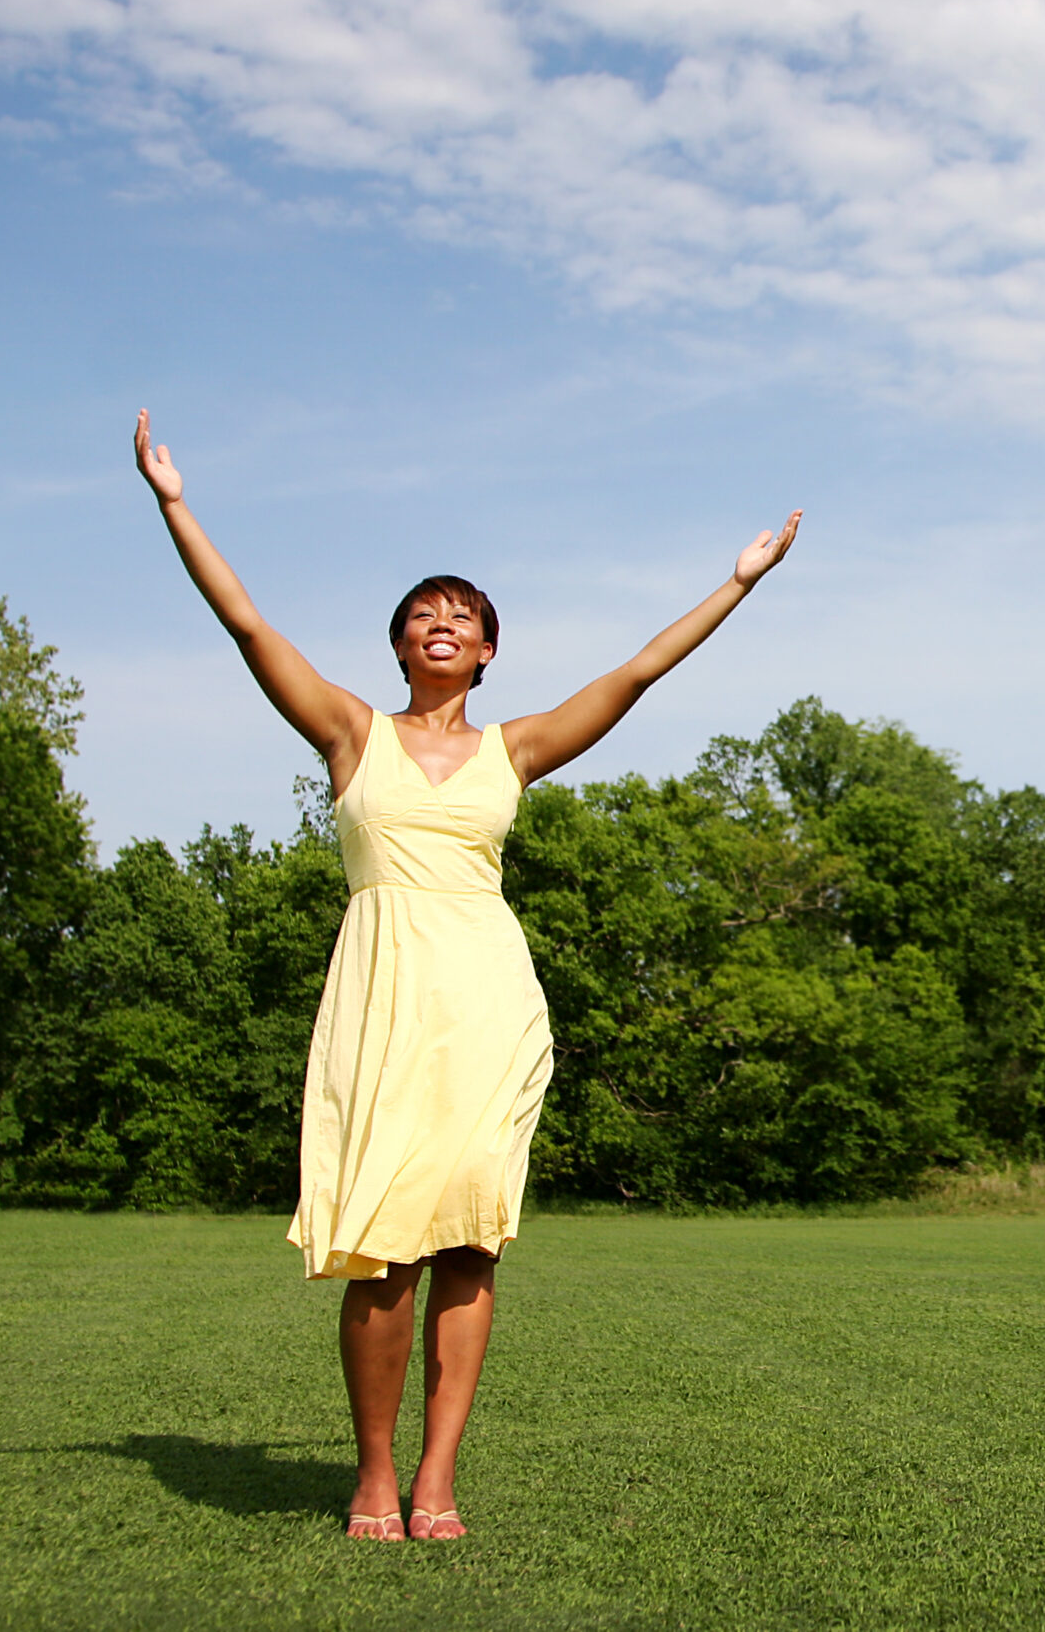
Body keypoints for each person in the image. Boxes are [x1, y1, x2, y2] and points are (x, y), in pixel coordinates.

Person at [133, 409, 800, 1541]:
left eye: (464, 618)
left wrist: (736, 584)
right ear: (399, 646)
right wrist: (174, 502)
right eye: (423, 616)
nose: (442, 626)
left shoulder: (516, 748)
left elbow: (635, 673)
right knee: (382, 1252)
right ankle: (373, 1474)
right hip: (384, 999)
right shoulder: (350, 734)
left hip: (489, 1002)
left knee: (468, 1242)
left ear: (488, 651)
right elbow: (246, 625)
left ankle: (436, 1479)